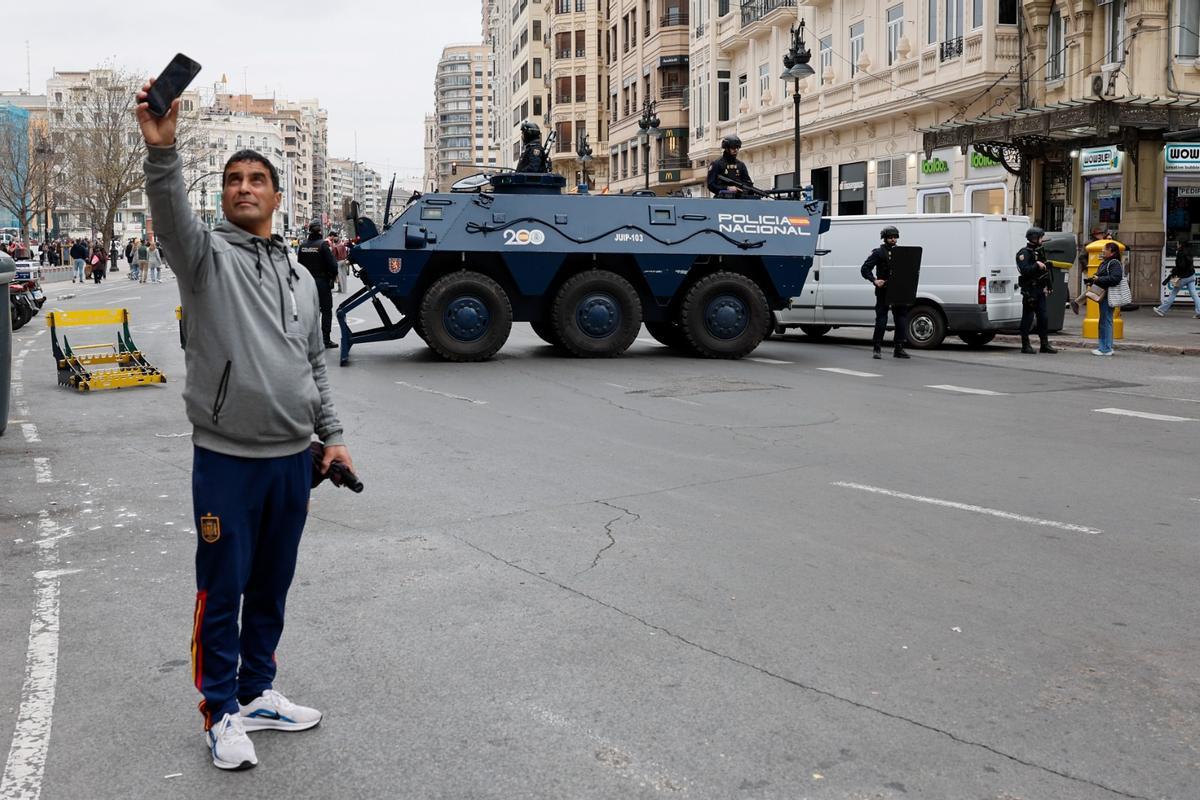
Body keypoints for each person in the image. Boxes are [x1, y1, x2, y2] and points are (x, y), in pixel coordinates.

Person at [138, 79, 353, 772]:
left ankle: (258, 693)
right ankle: (220, 710)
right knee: (221, 589)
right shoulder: (205, 260)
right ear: (223, 195)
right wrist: (162, 150)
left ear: (277, 196)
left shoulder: (300, 275)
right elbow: (171, 216)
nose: (244, 188)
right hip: (227, 460)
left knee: (270, 587)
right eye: (234, 180)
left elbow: (314, 363)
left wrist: (332, 438)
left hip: (293, 459)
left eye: (258, 179)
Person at [861, 225, 910, 359]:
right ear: (884, 238)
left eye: (895, 237)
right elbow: (865, 269)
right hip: (883, 290)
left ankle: (899, 348)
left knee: (901, 318)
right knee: (882, 319)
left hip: (898, 289)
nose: (893, 239)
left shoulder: (901, 252)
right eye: (890, 237)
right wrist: (874, 280)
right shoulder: (878, 253)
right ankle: (877, 348)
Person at [1015, 226, 1058, 355]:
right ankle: (1025, 345)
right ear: (1034, 238)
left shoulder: (1039, 251)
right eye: (1041, 237)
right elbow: (1025, 270)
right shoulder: (1024, 253)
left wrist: (1049, 286)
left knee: (1043, 317)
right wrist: (1036, 265)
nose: (1042, 239)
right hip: (1030, 290)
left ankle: (1044, 344)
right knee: (1028, 318)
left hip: (1040, 289)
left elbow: (1045, 271)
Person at [297, 222, 339, 348]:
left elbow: (299, 265)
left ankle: (310, 340)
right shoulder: (323, 245)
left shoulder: (302, 246)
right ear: (320, 231)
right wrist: (332, 276)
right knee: (326, 310)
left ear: (309, 231)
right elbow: (333, 265)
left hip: (306, 283)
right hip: (321, 282)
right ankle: (325, 339)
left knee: (310, 311)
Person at [1090, 241, 1123, 356]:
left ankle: (1106, 348)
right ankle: (1103, 347)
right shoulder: (1105, 262)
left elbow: (1115, 278)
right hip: (1103, 295)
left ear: (1112, 252)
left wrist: (1099, 279)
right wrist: (1093, 279)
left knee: (1106, 321)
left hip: (1108, 296)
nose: (1103, 250)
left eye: (1105, 249)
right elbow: (1101, 276)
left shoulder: (1114, 263)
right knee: (1103, 321)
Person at [1153, 235, 1200, 318]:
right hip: (1191, 276)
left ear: (1180, 244)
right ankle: (1199, 311)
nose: (1176, 245)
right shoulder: (1189, 251)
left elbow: (1180, 267)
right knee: (1194, 294)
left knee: (1173, 293)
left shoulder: (1180, 253)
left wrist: (1171, 275)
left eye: (1178, 243)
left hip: (1182, 278)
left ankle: (1161, 310)